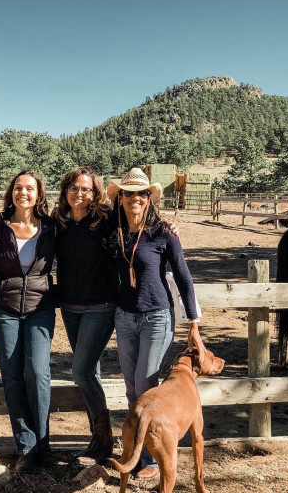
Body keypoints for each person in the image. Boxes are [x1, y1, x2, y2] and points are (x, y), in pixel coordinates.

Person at [107, 167, 205, 480]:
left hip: (157, 318)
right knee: (131, 389)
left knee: (145, 386)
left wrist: (193, 320)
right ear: (120, 198)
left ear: (150, 198)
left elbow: (184, 278)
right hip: (124, 317)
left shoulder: (163, 233)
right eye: (129, 193)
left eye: (142, 193)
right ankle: (138, 453)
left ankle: (148, 459)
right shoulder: (114, 231)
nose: (135, 198)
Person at [0, 170, 57, 474]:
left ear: (39, 194)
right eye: (18, 187)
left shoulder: (53, 228)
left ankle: (43, 444)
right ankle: (25, 446)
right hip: (4, 309)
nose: (23, 192)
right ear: (11, 192)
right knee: (12, 376)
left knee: (38, 373)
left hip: (40, 308)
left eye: (29, 188)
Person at [50, 166, 116, 462]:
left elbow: (139, 221)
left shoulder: (105, 220)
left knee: (80, 370)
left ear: (95, 193)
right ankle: (97, 437)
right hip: (70, 306)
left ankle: (103, 440)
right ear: (65, 191)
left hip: (100, 306)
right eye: (74, 188)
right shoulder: (58, 223)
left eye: (86, 189)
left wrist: (166, 225)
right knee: (91, 371)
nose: (79, 193)